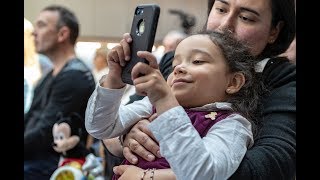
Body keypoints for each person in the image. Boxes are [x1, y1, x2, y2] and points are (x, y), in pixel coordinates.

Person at [98, 0, 296, 179]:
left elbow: (273, 162)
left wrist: (155, 176)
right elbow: (111, 128)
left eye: (246, 17)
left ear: (274, 31)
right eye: (220, 9)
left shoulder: (284, 79)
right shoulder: (171, 63)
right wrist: (128, 137)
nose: (225, 25)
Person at [85, 30, 264, 179]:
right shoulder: (150, 104)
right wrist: (113, 80)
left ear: (233, 82)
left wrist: (165, 101)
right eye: (174, 64)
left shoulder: (232, 124)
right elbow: (100, 127)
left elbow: (204, 174)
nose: (178, 69)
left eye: (197, 61)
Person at [24, 5, 96, 180]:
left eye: (41, 25)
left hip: (51, 165)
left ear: (62, 34)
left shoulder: (75, 76)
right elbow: (31, 119)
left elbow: (45, 133)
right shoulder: (50, 74)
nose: (34, 33)